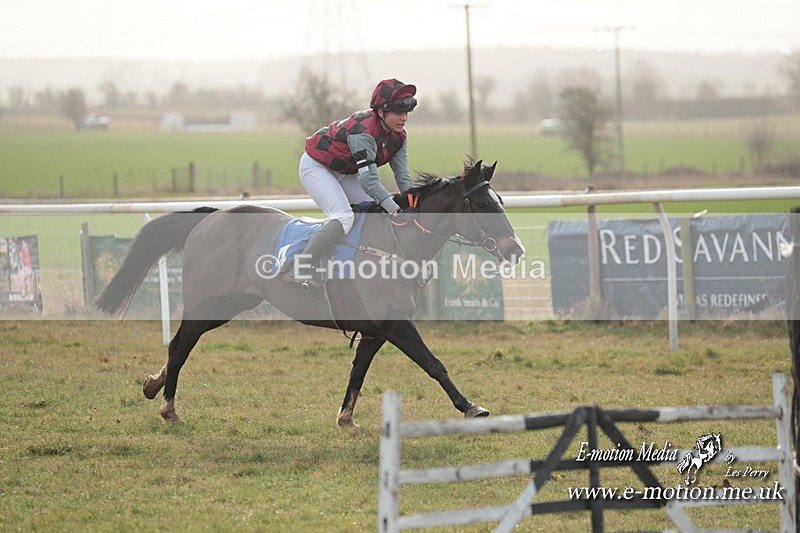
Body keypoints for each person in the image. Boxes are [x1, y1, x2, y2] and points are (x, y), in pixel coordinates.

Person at [284, 78, 419, 282]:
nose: (404, 118)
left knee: (373, 213)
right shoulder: (363, 130)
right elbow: (370, 181)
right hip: (317, 167)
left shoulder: (399, 137)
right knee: (344, 218)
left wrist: (413, 203)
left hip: (346, 172)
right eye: (398, 113)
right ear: (381, 111)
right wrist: (395, 209)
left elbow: (402, 176)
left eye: (406, 113)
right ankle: (300, 268)